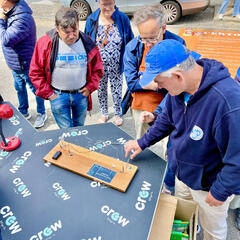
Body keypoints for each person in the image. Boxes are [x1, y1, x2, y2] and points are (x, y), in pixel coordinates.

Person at [124, 39, 240, 240]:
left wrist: (220, 191)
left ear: (177, 75)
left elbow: (237, 159)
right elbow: (167, 120)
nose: (157, 87)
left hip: (209, 186)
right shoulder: (178, 88)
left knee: (213, 230)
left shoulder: (228, 102)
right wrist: (142, 142)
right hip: (183, 175)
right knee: (184, 216)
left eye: (159, 82)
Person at [29, 7, 103, 129]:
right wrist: (49, 94)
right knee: (66, 131)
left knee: (79, 128)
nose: (71, 36)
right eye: (66, 32)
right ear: (57, 29)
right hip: (57, 96)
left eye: (74, 30)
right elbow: (35, 71)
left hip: (81, 95)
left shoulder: (87, 42)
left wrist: (90, 87)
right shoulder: (45, 43)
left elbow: (98, 69)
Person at [123, 4, 185, 138]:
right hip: (142, 107)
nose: (148, 44)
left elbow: (182, 84)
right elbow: (132, 84)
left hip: (170, 107)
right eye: (143, 38)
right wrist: (165, 83)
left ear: (163, 28)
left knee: (168, 151)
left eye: (152, 38)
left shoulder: (178, 44)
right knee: (143, 148)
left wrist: (147, 82)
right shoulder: (132, 47)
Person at [85, 0, 133, 126]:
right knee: (101, 89)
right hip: (98, 65)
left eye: (110, 3)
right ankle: (104, 113)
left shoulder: (122, 18)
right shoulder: (92, 19)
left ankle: (118, 112)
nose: (107, 8)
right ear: (97, 2)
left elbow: (130, 42)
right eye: (103, 4)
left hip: (117, 63)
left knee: (116, 88)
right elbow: (86, 42)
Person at [0, 0, 47, 128]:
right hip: (16, 64)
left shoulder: (22, 18)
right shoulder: (10, 12)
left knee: (36, 90)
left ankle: (41, 113)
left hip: (26, 64)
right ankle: (24, 112)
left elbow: (6, 40)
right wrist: (10, 62)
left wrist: (1, 21)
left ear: (6, 1)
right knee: (19, 89)